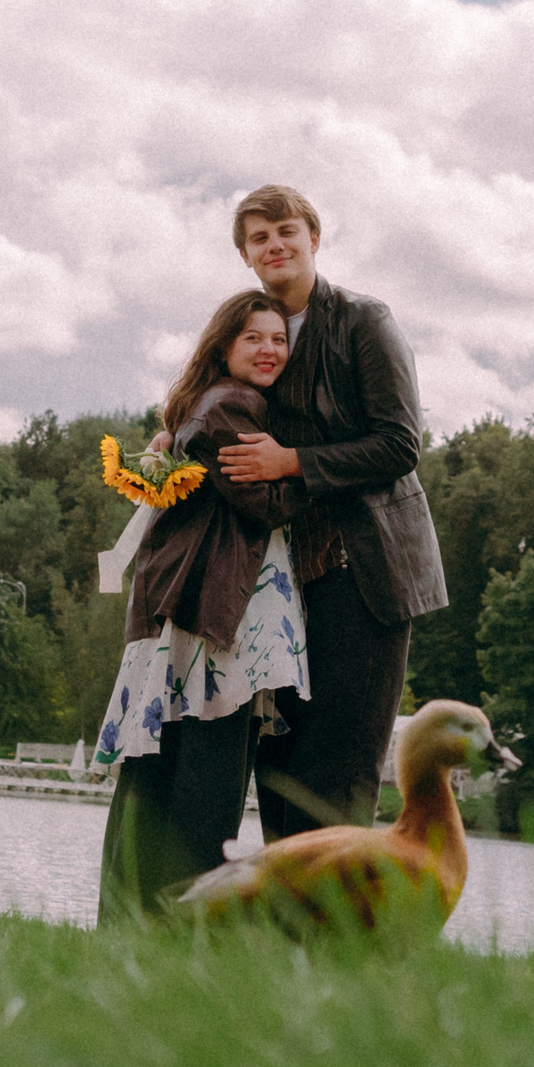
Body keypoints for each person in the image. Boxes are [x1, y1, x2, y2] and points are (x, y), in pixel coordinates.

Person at [214, 184, 447, 839]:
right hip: (280, 582)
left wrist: (294, 461)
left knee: (340, 764)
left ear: (313, 239)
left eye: (286, 229)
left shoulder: (365, 320)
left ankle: (335, 932)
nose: (275, 244)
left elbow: (401, 444)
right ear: (246, 256)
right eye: (259, 237)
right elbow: (208, 400)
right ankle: (280, 932)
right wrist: (166, 436)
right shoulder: (250, 331)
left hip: (366, 571)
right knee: (278, 759)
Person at [95, 291, 309, 921]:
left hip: (191, 610)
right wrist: (309, 471)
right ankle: (180, 922)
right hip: (223, 618)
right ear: (224, 348)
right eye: (254, 339)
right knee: (207, 786)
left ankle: (127, 922)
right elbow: (267, 505)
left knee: (156, 772)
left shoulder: (209, 405)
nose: (270, 349)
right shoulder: (231, 408)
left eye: (278, 339)